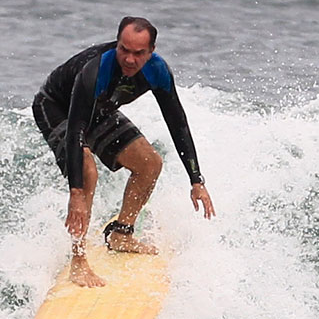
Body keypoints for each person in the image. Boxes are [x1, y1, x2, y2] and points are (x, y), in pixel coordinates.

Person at [32, 16, 215, 287]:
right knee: (86, 170)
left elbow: (177, 123)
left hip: (99, 109)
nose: (129, 59)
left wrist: (196, 180)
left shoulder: (158, 71)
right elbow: (75, 131)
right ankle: (78, 262)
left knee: (149, 163)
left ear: (151, 52)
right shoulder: (94, 70)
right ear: (116, 44)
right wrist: (76, 193)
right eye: (124, 50)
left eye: (138, 53)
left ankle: (122, 234)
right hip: (57, 107)